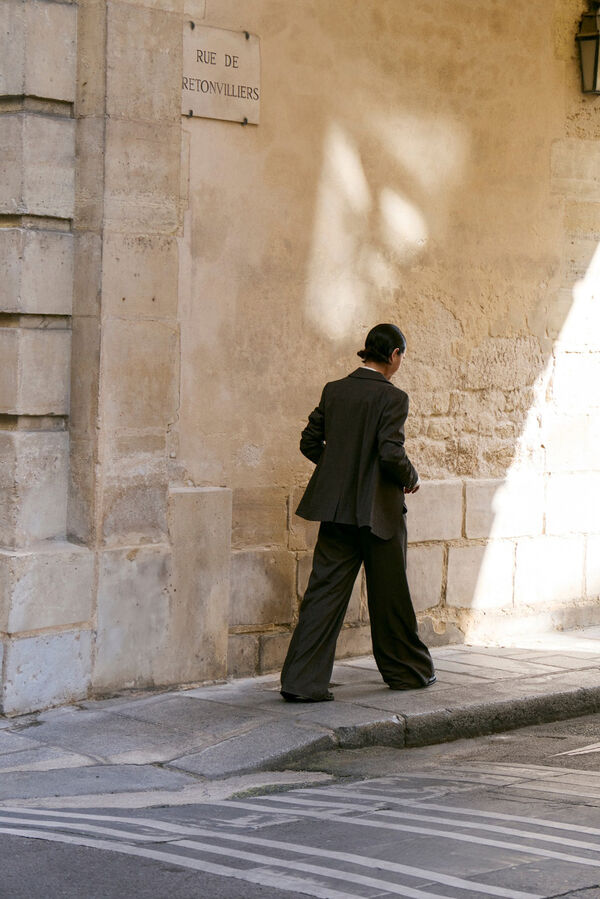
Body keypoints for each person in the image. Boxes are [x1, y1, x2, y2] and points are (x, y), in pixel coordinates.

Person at [280, 323, 436, 702]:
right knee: (390, 596)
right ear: (394, 355)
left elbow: (309, 442)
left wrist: (339, 472)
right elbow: (390, 452)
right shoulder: (393, 398)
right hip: (379, 514)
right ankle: (407, 672)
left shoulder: (335, 391)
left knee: (323, 594)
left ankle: (301, 683)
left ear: (366, 352)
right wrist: (411, 477)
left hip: (337, 511)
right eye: (402, 357)